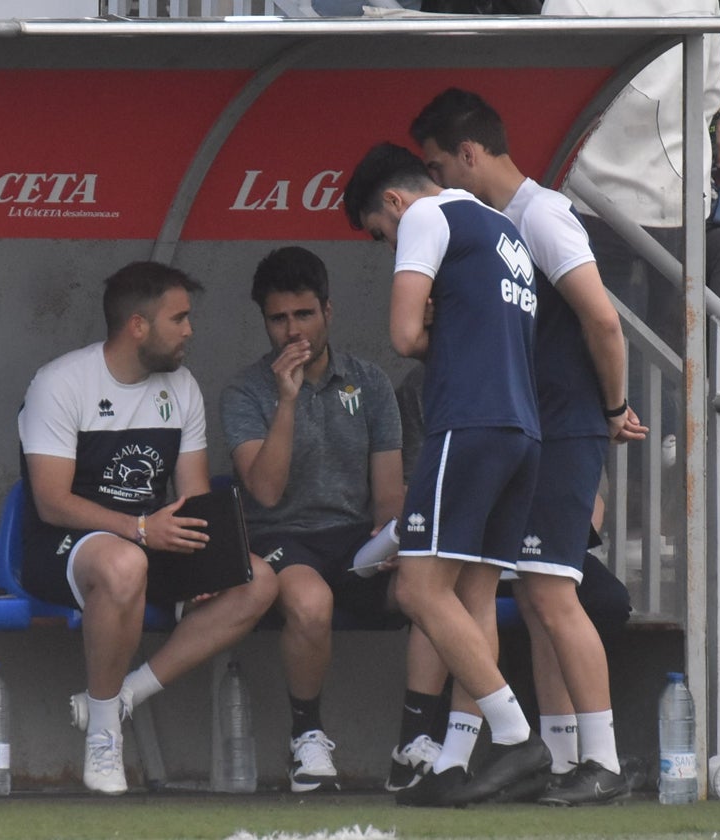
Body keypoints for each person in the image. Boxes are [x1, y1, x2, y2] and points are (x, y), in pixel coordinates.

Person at [408, 87, 645, 807]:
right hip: (533, 425)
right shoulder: (491, 224)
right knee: (526, 592)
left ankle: (602, 759)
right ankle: (560, 754)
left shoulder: (539, 214)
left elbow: (603, 321)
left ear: (470, 154)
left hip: (566, 420)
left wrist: (612, 407)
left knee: (550, 591)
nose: (436, 181)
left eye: (438, 164)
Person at [17, 260, 278, 795]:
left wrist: (209, 558)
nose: (190, 330)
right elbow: (50, 502)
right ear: (138, 325)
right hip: (64, 546)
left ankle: (122, 695)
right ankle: (105, 734)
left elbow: (194, 494)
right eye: (178, 319)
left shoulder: (180, 386)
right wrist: (138, 529)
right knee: (123, 562)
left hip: (147, 536)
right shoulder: (60, 383)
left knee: (258, 580)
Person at [343, 142, 552, 807]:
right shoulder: (504, 230)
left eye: (382, 234)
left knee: (417, 587)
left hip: (470, 420)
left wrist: (434, 328)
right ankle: (454, 762)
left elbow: (405, 336)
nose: (390, 247)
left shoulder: (428, 218)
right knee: (474, 595)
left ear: (396, 203)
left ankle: (518, 738)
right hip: (522, 426)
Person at [219, 245, 446, 794]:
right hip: (278, 540)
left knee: (434, 585)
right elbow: (266, 492)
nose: (292, 330)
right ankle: (308, 739)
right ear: (265, 321)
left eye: (304, 314)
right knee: (311, 601)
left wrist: (390, 545)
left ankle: (413, 744)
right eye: (278, 318)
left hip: (352, 543)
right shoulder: (246, 391)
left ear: (328, 311)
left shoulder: (368, 384)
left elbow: (389, 497)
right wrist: (288, 400)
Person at [544, 0, 720, 444]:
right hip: (608, 199)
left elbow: (708, 78)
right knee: (633, 344)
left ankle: (660, 464)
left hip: (657, 198)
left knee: (646, 346)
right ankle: (646, 463)